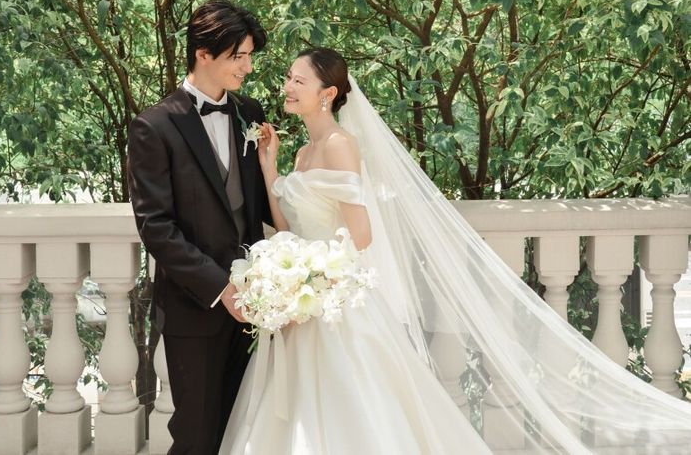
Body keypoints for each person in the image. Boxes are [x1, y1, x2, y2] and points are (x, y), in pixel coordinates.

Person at [221, 47, 691, 454]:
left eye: (298, 80)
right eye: (289, 78)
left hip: (333, 304)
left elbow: (359, 237)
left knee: (351, 408)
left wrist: (313, 275)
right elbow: (289, 229)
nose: (287, 86)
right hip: (300, 306)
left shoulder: (342, 145)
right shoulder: (304, 152)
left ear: (327, 93)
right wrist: (270, 168)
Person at [127, 0, 271, 455]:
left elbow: (259, 205)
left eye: (249, 56)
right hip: (196, 307)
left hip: (256, 304)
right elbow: (156, 227)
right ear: (203, 54)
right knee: (196, 436)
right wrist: (221, 288)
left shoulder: (251, 112)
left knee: (243, 431)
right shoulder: (154, 126)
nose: (247, 67)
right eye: (238, 56)